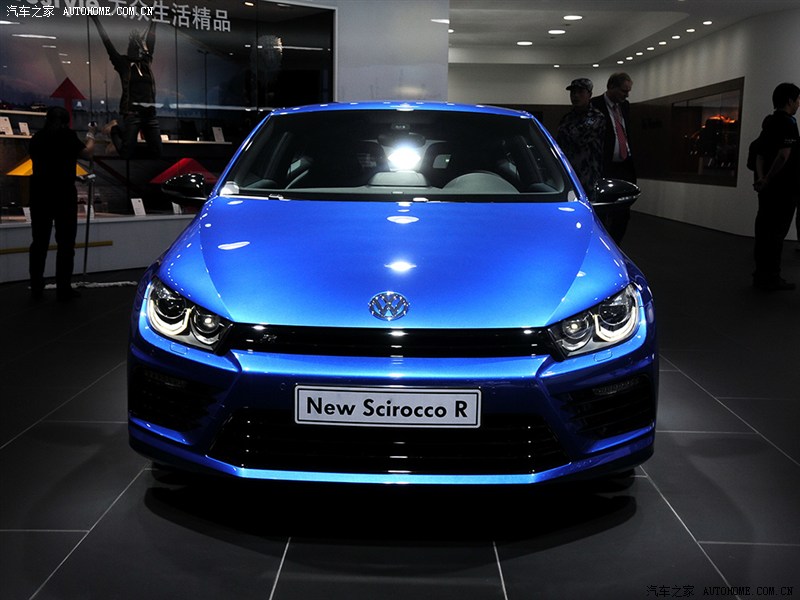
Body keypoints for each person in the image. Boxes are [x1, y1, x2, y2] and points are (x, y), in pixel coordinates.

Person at [28, 106, 96, 301]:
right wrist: (91, 134)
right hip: (63, 194)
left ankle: (36, 286)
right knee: (66, 243)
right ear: (66, 121)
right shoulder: (67, 136)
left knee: (39, 242)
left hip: (40, 194)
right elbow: (87, 153)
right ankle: (63, 287)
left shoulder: (38, 138)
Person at [91, 15, 161, 159]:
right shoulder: (123, 63)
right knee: (126, 152)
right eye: (133, 44)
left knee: (157, 152)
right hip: (132, 114)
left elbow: (151, 41)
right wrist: (96, 20)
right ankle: (114, 129)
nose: (136, 47)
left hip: (149, 115)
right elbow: (107, 44)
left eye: (137, 45)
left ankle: (131, 149)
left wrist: (154, 19)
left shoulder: (145, 63)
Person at [752, 82, 800, 291]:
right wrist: (769, 178)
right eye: (798, 100)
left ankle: (760, 274)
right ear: (790, 101)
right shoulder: (788, 124)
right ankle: (772, 277)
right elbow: (783, 155)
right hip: (784, 189)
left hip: (767, 190)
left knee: (763, 231)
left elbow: (759, 154)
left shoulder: (769, 122)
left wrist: (762, 179)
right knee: (777, 234)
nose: (799, 104)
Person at [591, 72, 636, 243]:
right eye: (624, 91)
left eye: (628, 91)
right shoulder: (594, 105)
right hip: (603, 166)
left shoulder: (625, 107)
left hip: (623, 166)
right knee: (602, 213)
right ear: (611, 87)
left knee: (622, 214)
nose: (627, 95)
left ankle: (616, 246)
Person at [556, 77, 606, 198]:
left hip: (589, 178)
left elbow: (579, 139)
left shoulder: (597, 117)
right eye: (573, 92)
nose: (576, 96)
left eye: (580, 92)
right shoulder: (567, 118)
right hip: (568, 175)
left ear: (589, 95)